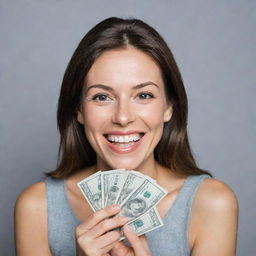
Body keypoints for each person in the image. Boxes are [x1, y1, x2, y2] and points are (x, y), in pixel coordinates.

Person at [14, 17, 238, 256]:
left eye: (143, 95)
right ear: (79, 110)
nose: (123, 117)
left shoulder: (212, 204)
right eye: (102, 97)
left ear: (169, 107)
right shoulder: (37, 207)